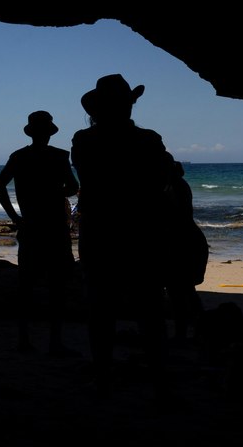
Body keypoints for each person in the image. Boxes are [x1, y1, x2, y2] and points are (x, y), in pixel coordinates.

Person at [70, 74, 173, 397]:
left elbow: (88, 179)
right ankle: (158, 380)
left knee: (101, 309)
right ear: (128, 105)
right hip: (142, 233)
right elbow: (163, 178)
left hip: (100, 231)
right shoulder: (149, 140)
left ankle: (103, 377)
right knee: (150, 310)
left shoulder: (83, 141)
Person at [0, 110, 81, 355]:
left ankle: (23, 339)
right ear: (49, 134)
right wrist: (58, 192)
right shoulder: (59, 157)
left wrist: (15, 218)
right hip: (54, 227)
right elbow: (73, 187)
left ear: (31, 133)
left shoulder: (19, 157)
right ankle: (55, 341)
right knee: (57, 286)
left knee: (26, 286)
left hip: (30, 226)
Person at [162, 155, 208, 345]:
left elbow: (173, 217)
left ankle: (186, 333)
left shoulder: (173, 188)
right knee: (183, 290)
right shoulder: (176, 185)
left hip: (182, 243)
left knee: (180, 291)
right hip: (187, 241)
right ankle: (196, 330)